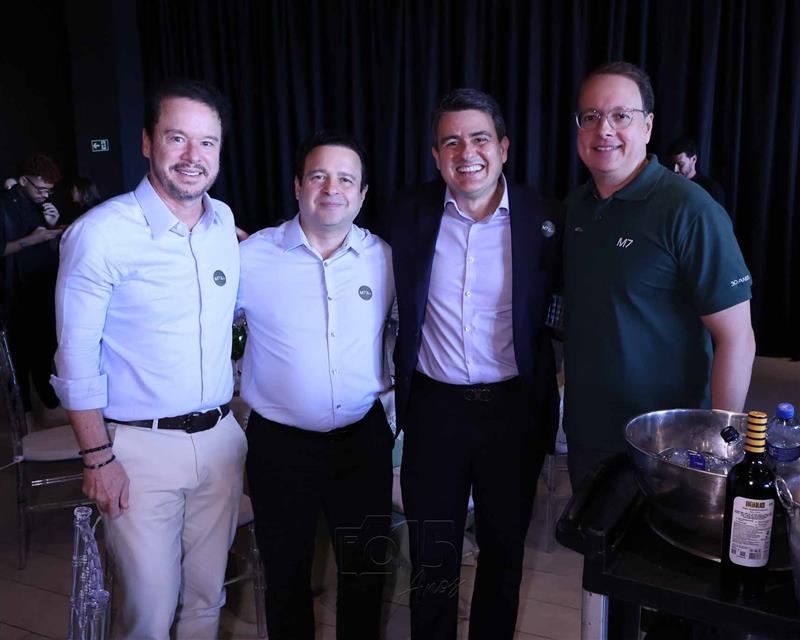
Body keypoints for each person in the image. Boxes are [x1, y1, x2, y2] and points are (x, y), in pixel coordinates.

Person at [51, 79, 246, 639]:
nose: (192, 156)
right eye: (177, 137)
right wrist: (97, 458)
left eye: (207, 142)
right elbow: (75, 360)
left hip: (221, 441)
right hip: (139, 450)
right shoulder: (100, 235)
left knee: (207, 598)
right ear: (146, 141)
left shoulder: (222, 225)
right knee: (149, 613)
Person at [387, 88, 562, 640]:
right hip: (434, 409)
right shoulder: (406, 214)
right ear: (436, 155)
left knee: (503, 552)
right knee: (432, 554)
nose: (467, 153)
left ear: (503, 148)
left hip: (513, 411)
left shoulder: (544, 218)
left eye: (480, 139)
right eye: (451, 142)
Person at [564, 62, 755, 489]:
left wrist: (722, 441)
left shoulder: (690, 211)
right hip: (589, 434)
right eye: (590, 116)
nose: (604, 129)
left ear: (647, 126)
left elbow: (737, 338)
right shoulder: (576, 208)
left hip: (670, 442)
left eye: (621, 115)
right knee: (594, 532)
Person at [237, 130, 394, 639]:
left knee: (365, 574)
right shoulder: (251, 256)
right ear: (298, 186)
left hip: (362, 442)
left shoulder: (385, 258)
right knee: (285, 577)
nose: (332, 189)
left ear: (362, 194)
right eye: (319, 176)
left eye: (346, 179)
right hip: (279, 447)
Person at [0, 153, 64, 410]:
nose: (45, 195)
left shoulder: (40, 206)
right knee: (18, 354)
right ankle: (23, 407)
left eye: (49, 190)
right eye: (41, 189)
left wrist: (51, 226)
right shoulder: (5, 205)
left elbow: (48, 248)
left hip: (40, 288)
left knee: (44, 348)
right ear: (24, 181)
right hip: (14, 293)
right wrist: (31, 240)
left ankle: (47, 399)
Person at [667, 136, 726, 206]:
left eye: (680, 164)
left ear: (694, 159)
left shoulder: (711, 189)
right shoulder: (669, 185)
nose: (675, 170)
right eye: (672, 164)